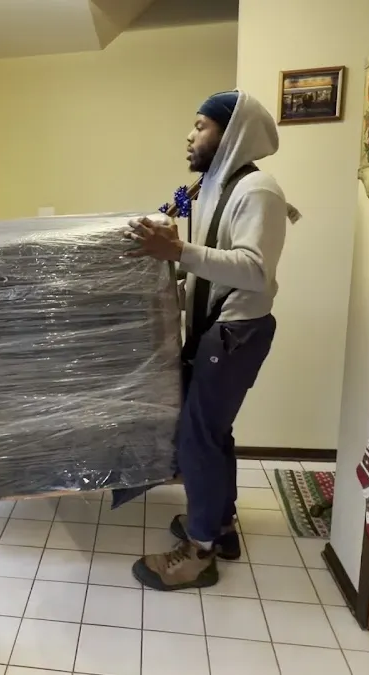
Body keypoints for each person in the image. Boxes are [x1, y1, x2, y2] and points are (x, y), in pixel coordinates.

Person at [122, 91, 299, 590]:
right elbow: (214, 263)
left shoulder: (258, 190)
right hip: (222, 330)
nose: (190, 135)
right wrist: (173, 271)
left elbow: (255, 269)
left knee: (196, 437)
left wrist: (177, 250)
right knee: (213, 433)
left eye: (200, 126)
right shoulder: (219, 187)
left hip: (234, 333)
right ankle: (219, 527)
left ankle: (198, 552)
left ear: (232, 131)